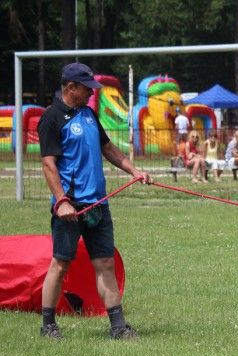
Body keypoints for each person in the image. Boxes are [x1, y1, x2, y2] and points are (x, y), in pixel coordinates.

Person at [37, 62, 152, 340]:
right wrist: (61, 201)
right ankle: (48, 325)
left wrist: (134, 170)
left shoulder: (88, 114)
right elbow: (49, 165)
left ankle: (118, 327)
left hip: (98, 205)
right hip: (71, 207)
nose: (91, 92)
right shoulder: (52, 118)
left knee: (105, 263)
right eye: (87, 88)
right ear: (71, 87)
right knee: (61, 264)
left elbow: (108, 148)